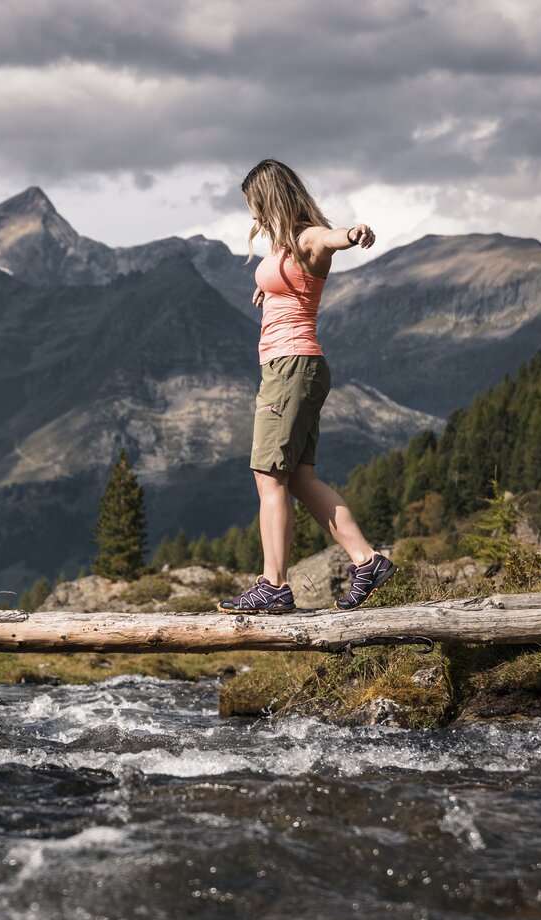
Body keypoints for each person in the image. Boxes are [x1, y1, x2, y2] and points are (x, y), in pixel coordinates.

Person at [219, 159, 397, 614]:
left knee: (268, 476)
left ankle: (274, 585)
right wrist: (268, 290)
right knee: (299, 477)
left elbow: (333, 238)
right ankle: (367, 561)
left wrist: (354, 233)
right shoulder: (284, 248)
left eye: (255, 205)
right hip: (295, 368)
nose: (253, 216)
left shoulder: (309, 236)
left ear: (271, 198)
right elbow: (288, 283)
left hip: (291, 368)